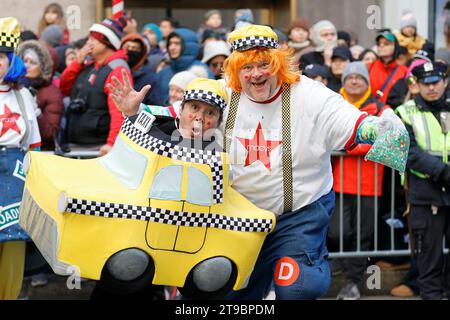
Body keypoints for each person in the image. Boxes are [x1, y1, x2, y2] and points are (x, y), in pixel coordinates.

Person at [110, 24, 409, 300]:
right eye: (247, 67)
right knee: (230, 293)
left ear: (278, 64)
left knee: (297, 287)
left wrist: (376, 128)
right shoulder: (223, 93)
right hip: (238, 218)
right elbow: (178, 116)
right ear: (236, 71)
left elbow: (350, 121)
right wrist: (136, 112)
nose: (256, 74)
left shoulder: (310, 95)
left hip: (298, 215)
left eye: (264, 64)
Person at [92, 77, 228, 300]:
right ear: (182, 109)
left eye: (210, 113)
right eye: (194, 108)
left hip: (187, 248)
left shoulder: (220, 155)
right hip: (135, 242)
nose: (200, 118)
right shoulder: (156, 129)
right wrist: (130, 113)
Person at [328, 61, 390, 300]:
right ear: (343, 81)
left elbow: (386, 139)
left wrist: (350, 146)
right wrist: (359, 145)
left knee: (362, 236)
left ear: (367, 81)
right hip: (337, 181)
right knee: (336, 231)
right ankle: (341, 261)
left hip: (369, 182)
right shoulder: (334, 105)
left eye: (359, 77)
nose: (354, 80)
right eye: (349, 77)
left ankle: (353, 281)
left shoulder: (380, 107)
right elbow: (329, 137)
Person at [395, 61, 450, 300]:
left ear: (445, 82)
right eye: (425, 84)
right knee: (429, 260)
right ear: (416, 85)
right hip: (425, 192)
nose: (431, 88)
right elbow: (409, 152)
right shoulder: (404, 112)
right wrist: (444, 172)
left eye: (436, 82)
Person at [0, 17, 41, 300]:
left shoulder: (24, 94)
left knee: (13, 241)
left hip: (15, 171)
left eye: (1, 57)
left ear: (10, 60)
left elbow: (35, 142)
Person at [59, 17, 131, 156]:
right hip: (77, 145)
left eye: (92, 39)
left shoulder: (116, 69)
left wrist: (111, 145)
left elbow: (120, 113)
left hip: (98, 149)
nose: (88, 43)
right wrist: (77, 61)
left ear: (106, 43)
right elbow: (64, 87)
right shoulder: (89, 66)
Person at [18, 40, 64, 151]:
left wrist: (34, 110)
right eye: (24, 61)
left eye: (33, 62)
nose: (27, 65)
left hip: (40, 153)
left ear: (43, 67)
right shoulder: (15, 88)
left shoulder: (52, 93)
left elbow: (50, 134)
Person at [157, 28, 213, 103]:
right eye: (170, 44)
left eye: (177, 43)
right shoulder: (164, 71)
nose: (172, 47)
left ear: (189, 47)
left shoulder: (202, 71)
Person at [121, 33, 164, 106]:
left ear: (142, 53)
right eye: (127, 47)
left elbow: (156, 106)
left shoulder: (150, 78)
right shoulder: (113, 71)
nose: (130, 51)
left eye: (135, 48)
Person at [369, 31, 408, 104]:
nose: (381, 46)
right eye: (378, 44)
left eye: (386, 43)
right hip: (372, 112)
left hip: (393, 112)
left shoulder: (404, 71)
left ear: (395, 47)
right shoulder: (369, 67)